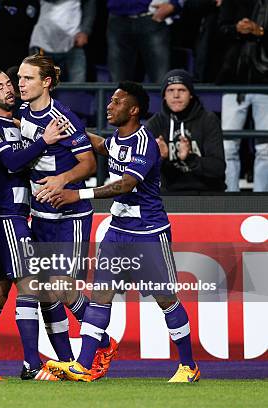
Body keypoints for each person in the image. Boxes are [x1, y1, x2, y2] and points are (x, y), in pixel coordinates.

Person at [41, 81, 200, 383]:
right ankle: (84, 365)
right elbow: (102, 146)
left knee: (166, 299)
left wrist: (80, 195)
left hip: (148, 232)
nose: (109, 106)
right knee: (100, 295)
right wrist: (70, 130)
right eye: (110, 101)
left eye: (116, 102)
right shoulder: (117, 139)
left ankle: (189, 366)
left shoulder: (145, 143)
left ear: (134, 109)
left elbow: (127, 184)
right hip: (118, 230)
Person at [17, 54, 117, 380]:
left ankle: (102, 340)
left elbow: (88, 163)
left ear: (46, 82)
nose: (21, 83)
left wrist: (62, 180)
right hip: (40, 215)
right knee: (45, 291)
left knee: (61, 287)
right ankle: (68, 362)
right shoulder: (20, 114)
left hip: (71, 215)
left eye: (28, 78)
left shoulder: (62, 117)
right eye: (19, 77)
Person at [0, 67, 71, 381]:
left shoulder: (12, 123)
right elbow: (13, 162)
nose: (9, 89)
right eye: (0, 87)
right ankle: (31, 364)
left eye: (10, 83)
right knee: (30, 285)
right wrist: (45, 140)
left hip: (2, 217)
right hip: (6, 216)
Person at [217, 0, 268, 192]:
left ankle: (263, 200)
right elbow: (217, 31)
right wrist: (235, 29)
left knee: (266, 149)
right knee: (228, 146)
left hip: (265, 83)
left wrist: (260, 32)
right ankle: (230, 198)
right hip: (233, 79)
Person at [146, 69, 226, 192]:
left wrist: (190, 158)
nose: (176, 95)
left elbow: (218, 168)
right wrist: (160, 158)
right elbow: (142, 172)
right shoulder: (155, 124)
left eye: (182, 90)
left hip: (206, 193)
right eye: (170, 90)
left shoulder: (208, 120)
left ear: (191, 94)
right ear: (164, 96)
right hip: (168, 194)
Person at [107, 0, 182, 82]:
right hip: (117, 18)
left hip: (152, 17)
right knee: (117, 84)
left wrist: (174, 4)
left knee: (162, 80)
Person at [30, 0, 96, 82]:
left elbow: (89, 8)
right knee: (41, 88)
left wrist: (85, 32)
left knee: (78, 88)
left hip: (73, 42)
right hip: (43, 42)